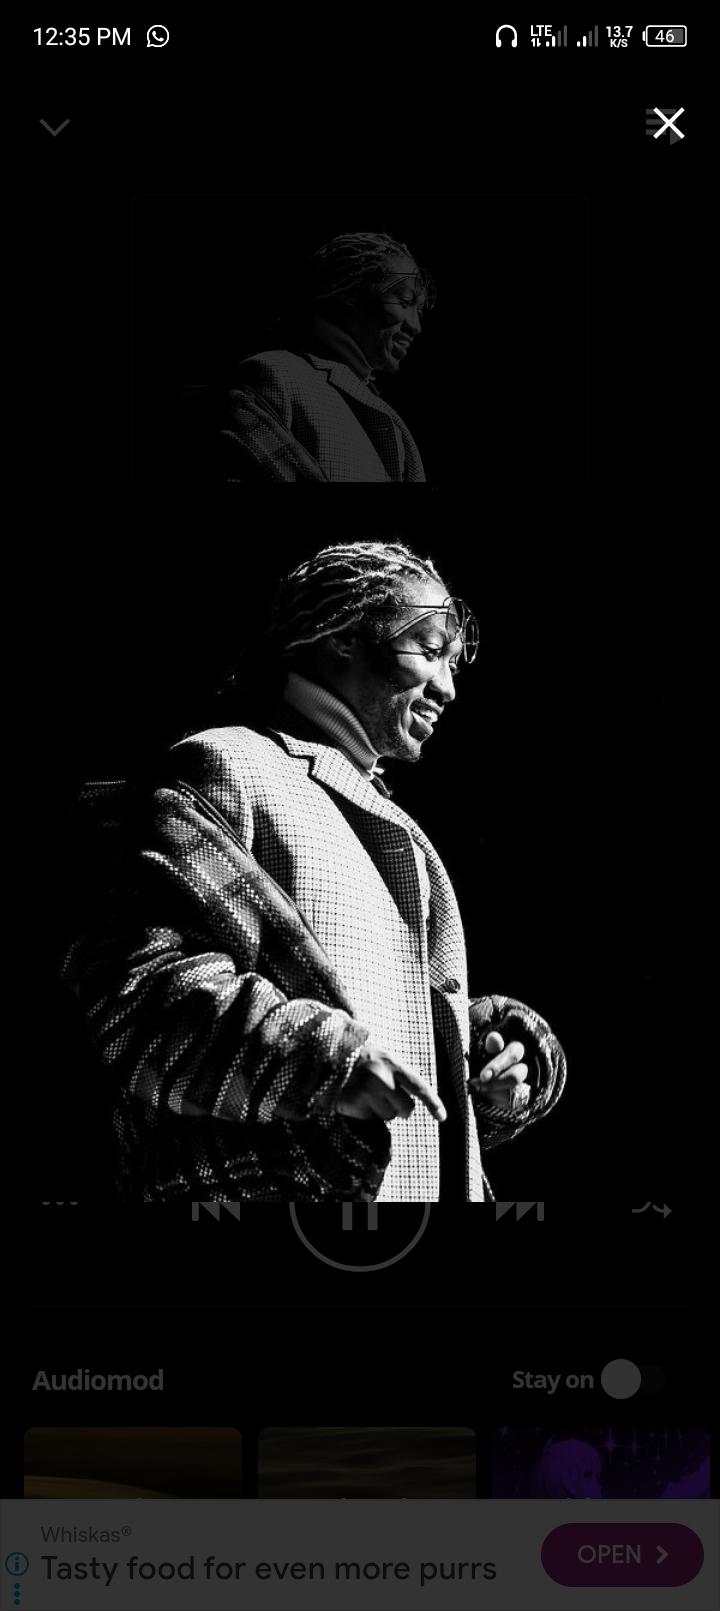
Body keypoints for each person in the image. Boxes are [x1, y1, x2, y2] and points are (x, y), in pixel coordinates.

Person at [63, 541, 566, 1202]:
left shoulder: (387, 820)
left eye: (451, 661)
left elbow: (380, 1055)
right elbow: (140, 992)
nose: (448, 688)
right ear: (342, 636)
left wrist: (481, 1060)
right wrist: (324, 1062)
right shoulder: (227, 765)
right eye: (428, 650)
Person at [219, 233, 431, 482]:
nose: (416, 326)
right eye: (404, 301)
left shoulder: (388, 418)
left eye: (418, 310)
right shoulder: (275, 374)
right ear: (350, 293)